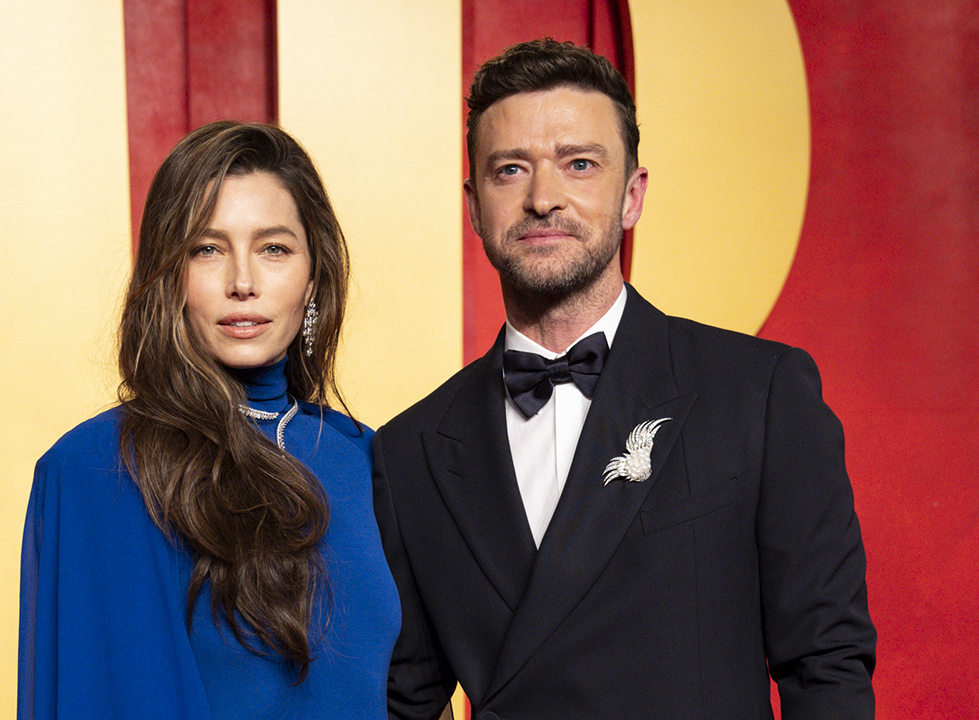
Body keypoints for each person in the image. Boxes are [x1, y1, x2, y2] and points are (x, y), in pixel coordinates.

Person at [372, 39, 875, 719]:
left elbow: (826, 665)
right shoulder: (410, 450)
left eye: (579, 164)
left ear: (632, 195)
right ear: (474, 207)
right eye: (510, 170)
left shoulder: (758, 394)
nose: (543, 198)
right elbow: (403, 701)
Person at [18, 121, 400, 719]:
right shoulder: (98, 469)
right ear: (170, 274)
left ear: (313, 278)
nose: (242, 283)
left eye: (274, 249)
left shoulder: (366, 458)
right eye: (207, 249)